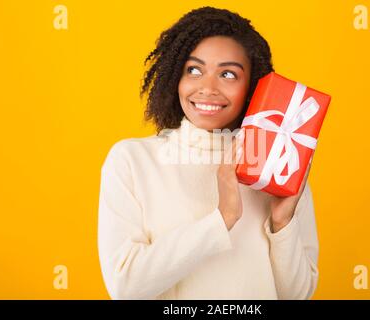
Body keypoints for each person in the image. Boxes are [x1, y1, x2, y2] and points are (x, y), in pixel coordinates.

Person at [98, 6, 319, 300]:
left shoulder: (277, 164)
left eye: (228, 74)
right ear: (175, 76)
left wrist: (282, 224)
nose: (207, 88)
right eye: (194, 70)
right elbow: (125, 287)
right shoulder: (132, 161)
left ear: (253, 87)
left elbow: (297, 295)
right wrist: (222, 218)